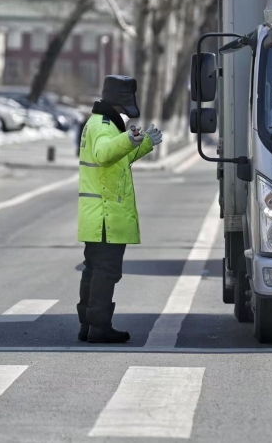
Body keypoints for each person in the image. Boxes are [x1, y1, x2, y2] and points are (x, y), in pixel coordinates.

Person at [76, 75, 162, 343]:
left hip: (100, 215)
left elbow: (117, 160)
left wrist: (143, 142)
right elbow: (104, 154)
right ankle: (99, 327)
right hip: (106, 216)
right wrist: (129, 139)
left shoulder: (105, 123)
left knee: (94, 270)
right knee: (106, 271)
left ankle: (88, 325)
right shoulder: (103, 125)